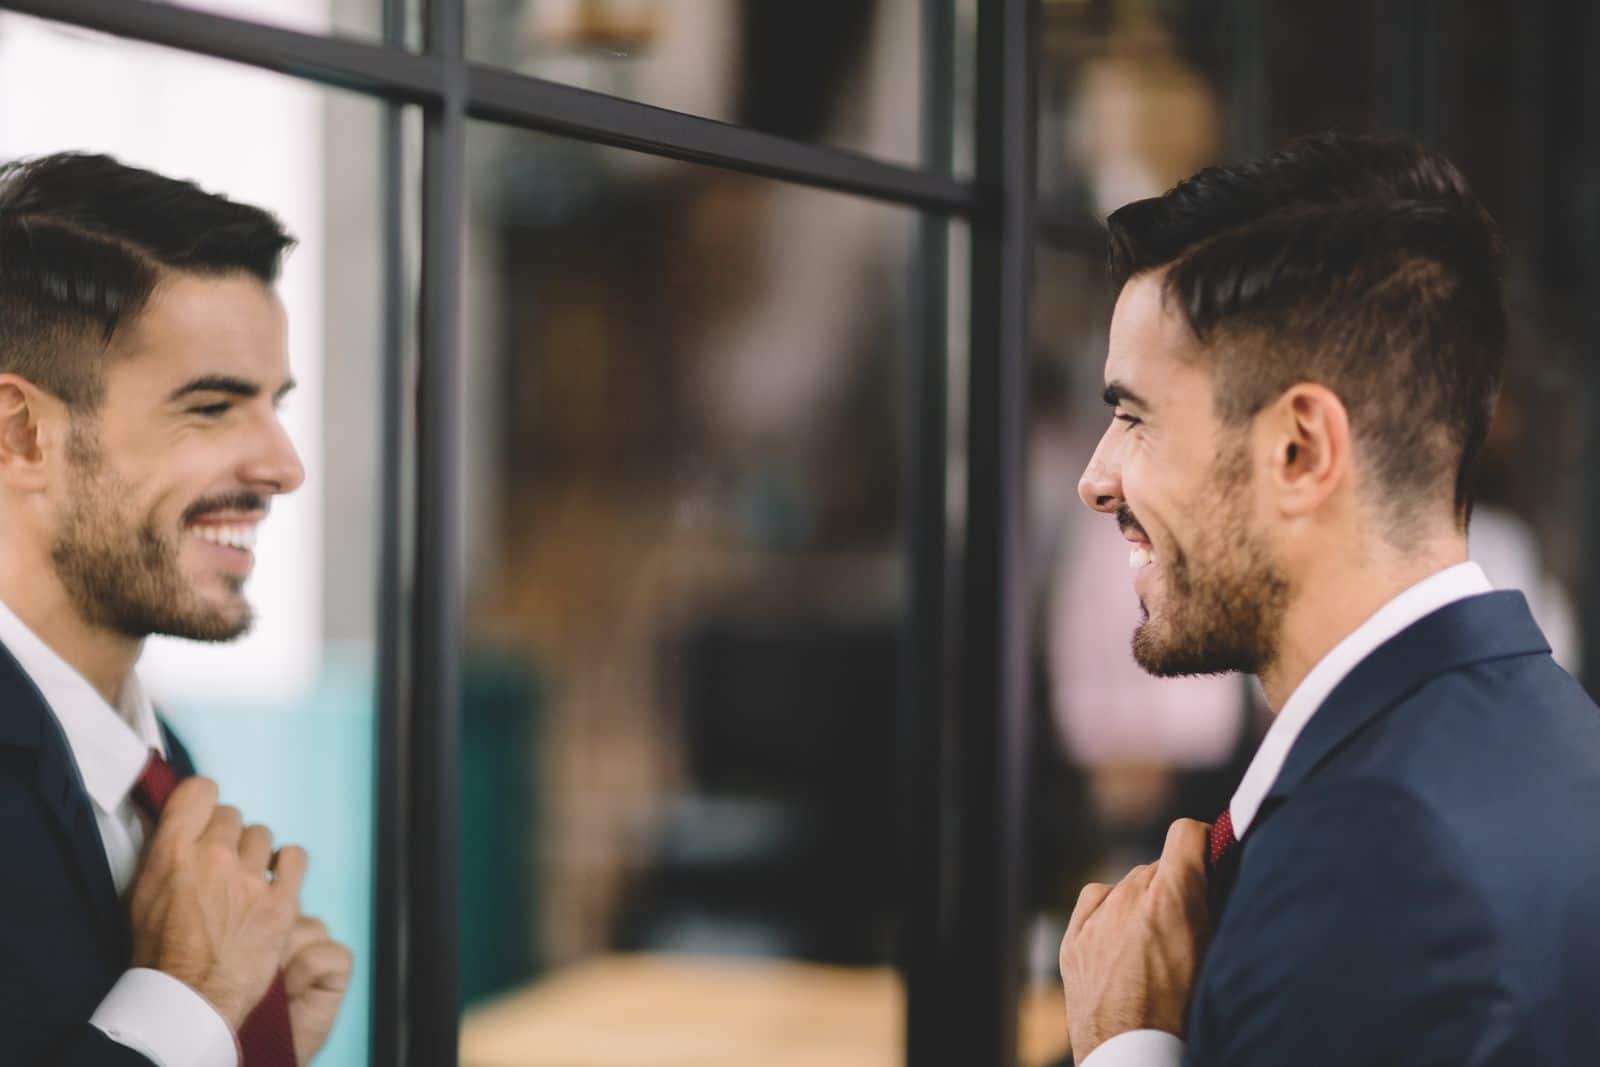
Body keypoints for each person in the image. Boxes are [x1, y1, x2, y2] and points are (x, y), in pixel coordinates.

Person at [1058, 131, 1600, 1065]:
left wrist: (1126, 1041)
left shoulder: (1376, 855)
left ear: (1301, 449)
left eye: (1135, 417)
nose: (1096, 480)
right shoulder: (1551, 732)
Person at [0, 153, 351, 1065]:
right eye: (212, 407)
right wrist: (186, 1002)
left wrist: (245, 1044)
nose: (283, 466)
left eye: (274, 405)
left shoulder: (155, 766)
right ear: (22, 433)